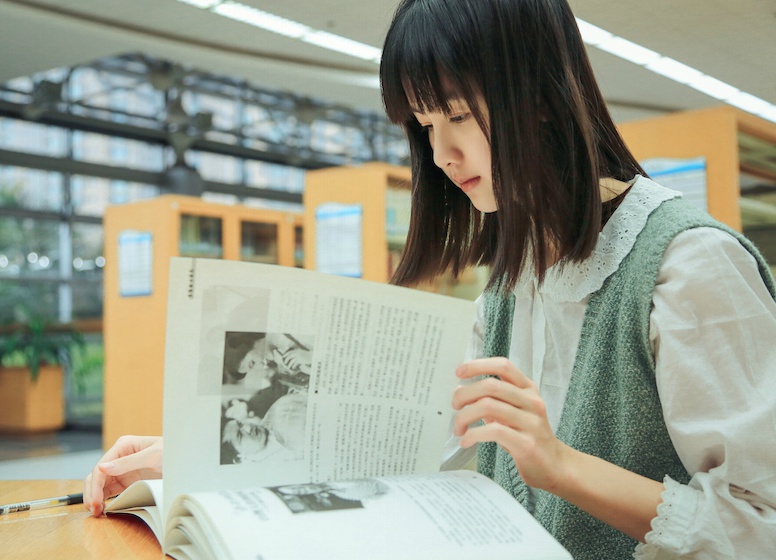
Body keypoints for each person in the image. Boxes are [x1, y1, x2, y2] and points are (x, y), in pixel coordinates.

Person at [85, 2, 776, 557]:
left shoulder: (690, 266)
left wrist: (560, 466)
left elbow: (760, 528)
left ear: (535, 96)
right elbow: (408, 447)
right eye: (422, 124)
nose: (441, 154)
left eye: (458, 116)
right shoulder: (514, 278)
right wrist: (191, 455)